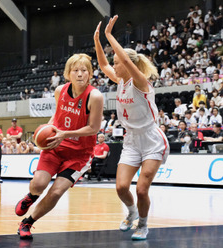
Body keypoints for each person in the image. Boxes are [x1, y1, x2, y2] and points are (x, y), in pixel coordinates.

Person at [94, 15, 169, 240]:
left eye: (117, 62)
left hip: (151, 139)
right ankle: (132, 212)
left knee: (141, 189)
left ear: (128, 64)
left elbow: (125, 62)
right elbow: (102, 64)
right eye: (115, 63)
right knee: (121, 187)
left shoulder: (141, 83)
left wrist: (109, 36)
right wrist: (98, 41)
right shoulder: (121, 82)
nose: (114, 66)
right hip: (131, 140)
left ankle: (143, 224)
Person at [15, 53, 103, 239]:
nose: (80, 74)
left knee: (56, 192)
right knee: (39, 184)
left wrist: (66, 134)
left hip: (79, 154)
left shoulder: (95, 96)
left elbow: (94, 128)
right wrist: (45, 133)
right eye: (76, 70)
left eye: (84, 70)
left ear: (90, 73)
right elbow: (57, 117)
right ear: (68, 73)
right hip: (56, 145)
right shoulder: (60, 90)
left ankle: (27, 222)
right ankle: (31, 196)